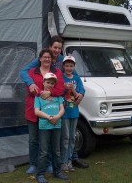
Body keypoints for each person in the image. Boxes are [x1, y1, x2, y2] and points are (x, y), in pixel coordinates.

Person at [20, 35, 89, 168]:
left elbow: (74, 75)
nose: (57, 50)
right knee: (51, 136)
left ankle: (71, 158)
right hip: (43, 104)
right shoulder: (42, 60)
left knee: (65, 136)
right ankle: (44, 163)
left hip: (59, 103)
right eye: (54, 48)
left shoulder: (62, 62)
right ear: (49, 48)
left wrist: (81, 92)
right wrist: (30, 83)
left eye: (59, 48)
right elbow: (23, 72)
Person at [24, 48, 64, 174]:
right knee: (34, 139)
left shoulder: (56, 71)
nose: (47, 59)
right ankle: (33, 164)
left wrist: (50, 92)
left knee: (50, 141)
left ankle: (49, 164)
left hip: (51, 110)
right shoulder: (31, 71)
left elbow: (61, 88)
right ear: (39, 59)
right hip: (33, 110)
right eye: (44, 57)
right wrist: (40, 92)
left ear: (52, 60)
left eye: (49, 57)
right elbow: (28, 88)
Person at [34, 72, 68, 183]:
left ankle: (57, 171)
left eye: (52, 83)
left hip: (56, 125)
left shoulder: (58, 96)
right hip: (44, 126)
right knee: (43, 151)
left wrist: (57, 117)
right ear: (43, 82)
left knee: (56, 151)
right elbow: (36, 111)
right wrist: (49, 117)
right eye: (48, 82)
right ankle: (40, 174)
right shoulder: (39, 97)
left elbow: (62, 109)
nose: (49, 85)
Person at [60, 56, 85, 172]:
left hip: (74, 112)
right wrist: (65, 88)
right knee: (65, 138)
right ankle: (63, 162)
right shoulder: (60, 78)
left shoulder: (77, 78)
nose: (69, 68)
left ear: (74, 67)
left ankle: (69, 162)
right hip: (64, 113)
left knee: (71, 138)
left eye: (71, 66)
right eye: (66, 65)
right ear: (63, 66)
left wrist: (73, 90)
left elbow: (79, 95)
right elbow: (58, 92)